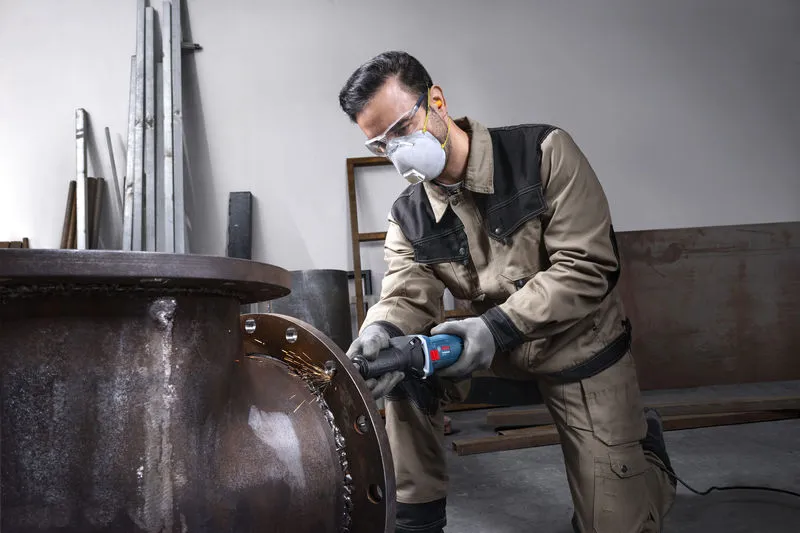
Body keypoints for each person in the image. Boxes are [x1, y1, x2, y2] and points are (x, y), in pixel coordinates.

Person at [338, 50, 676, 533]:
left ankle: (650, 462)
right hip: (492, 352)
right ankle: (417, 518)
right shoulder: (407, 214)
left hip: (579, 348)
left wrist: (494, 327)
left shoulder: (542, 153)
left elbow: (587, 267)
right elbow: (405, 291)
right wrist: (381, 330)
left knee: (615, 524)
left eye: (401, 129)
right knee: (401, 368)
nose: (396, 152)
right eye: (380, 145)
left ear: (436, 100)